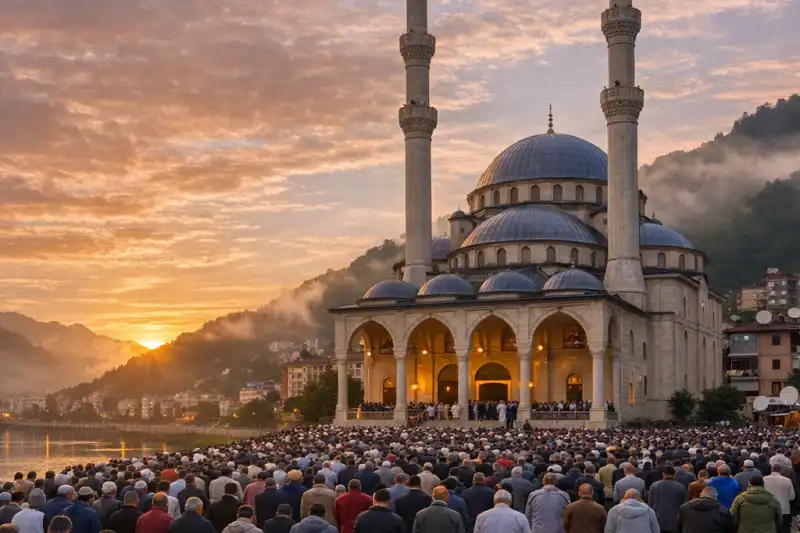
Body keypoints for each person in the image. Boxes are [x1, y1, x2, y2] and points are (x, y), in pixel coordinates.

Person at [648, 465, 688, 533]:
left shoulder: (654, 486)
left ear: (663, 474)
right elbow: (685, 506)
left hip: (658, 522)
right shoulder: (681, 487)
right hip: (674, 524)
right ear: (674, 475)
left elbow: (650, 504)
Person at [763, 465, 795, 533]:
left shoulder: (764, 479)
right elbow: (792, 497)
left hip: (768, 509)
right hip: (784, 509)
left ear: (772, 470)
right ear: (781, 470)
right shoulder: (787, 480)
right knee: (784, 529)